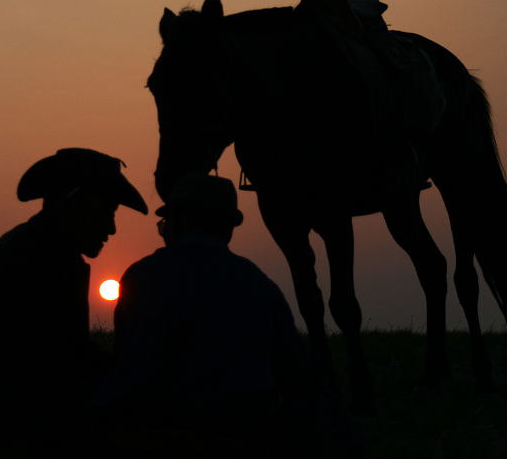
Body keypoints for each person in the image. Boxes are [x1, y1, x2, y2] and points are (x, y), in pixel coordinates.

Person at [90, 174, 362, 457]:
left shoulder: (139, 276)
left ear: (179, 222)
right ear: (228, 229)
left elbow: (125, 359)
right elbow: (301, 374)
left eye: (164, 224)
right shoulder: (259, 285)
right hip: (234, 436)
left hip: (145, 435)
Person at [0, 148, 147, 456]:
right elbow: (61, 365)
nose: (112, 228)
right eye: (107, 213)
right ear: (74, 205)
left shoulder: (34, 248)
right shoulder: (43, 262)